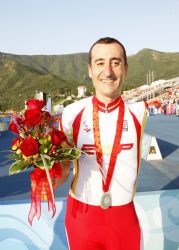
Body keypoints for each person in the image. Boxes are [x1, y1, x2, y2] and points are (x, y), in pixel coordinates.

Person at [58, 37, 147, 250]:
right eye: (100, 63)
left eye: (115, 62)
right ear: (89, 69)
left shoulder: (140, 112)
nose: (108, 71)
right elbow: (60, 172)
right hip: (82, 218)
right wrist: (43, 178)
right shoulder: (71, 113)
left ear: (125, 68)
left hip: (123, 219)